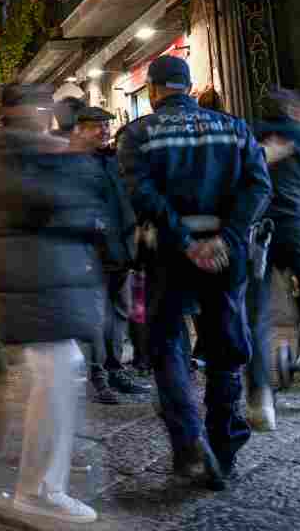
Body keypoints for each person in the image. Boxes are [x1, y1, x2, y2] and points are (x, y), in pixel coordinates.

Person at [118, 56, 272, 490]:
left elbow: (141, 194)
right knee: (226, 351)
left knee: (167, 345)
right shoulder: (236, 128)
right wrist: (228, 238)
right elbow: (259, 186)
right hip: (226, 257)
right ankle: (224, 451)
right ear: (187, 86)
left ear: (151, 90)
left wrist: (185, 241)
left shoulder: (138, 134)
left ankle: (188, 442)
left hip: (168, 254)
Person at [0, 83, 106, 524]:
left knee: (55, 370)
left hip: (39, 278)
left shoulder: (28, 150)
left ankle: (35, 481)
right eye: (36, 106)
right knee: (54, 369)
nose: (42, 113)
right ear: (15, 109)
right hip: (24, 278)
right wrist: (66, 158)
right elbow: (38, 203)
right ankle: (38, 489)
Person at [69, 105, 150, 404]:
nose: (103, 130)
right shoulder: (72, 163)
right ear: (79, 129)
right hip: (90, 252)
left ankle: (115, 370)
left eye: (106, 125)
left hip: (121, 250)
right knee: (94, 316)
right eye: (96, 126)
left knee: (118, 313)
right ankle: (97, 375)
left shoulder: (113, 160)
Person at [247, 88, 300, 431]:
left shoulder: (250, 135)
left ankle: (260, 398)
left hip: (258, 232)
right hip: (299, 228)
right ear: (296, 109)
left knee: (255, 313)